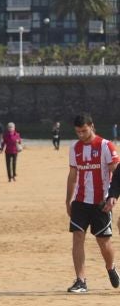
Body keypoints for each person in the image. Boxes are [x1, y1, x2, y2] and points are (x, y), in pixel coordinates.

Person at [66, 113, 119, 293]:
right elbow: (73, 175)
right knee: (77, 237)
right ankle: (81, 280)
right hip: (80, 202)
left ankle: (111, 267)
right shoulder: (74, 148)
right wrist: (68, 200)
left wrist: (113, 197)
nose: (81, 134)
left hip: (100, 202)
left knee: (103, 242)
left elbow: (116, 175)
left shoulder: (105, 146)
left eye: (84, 131)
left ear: (92, 126)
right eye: (78, 132)